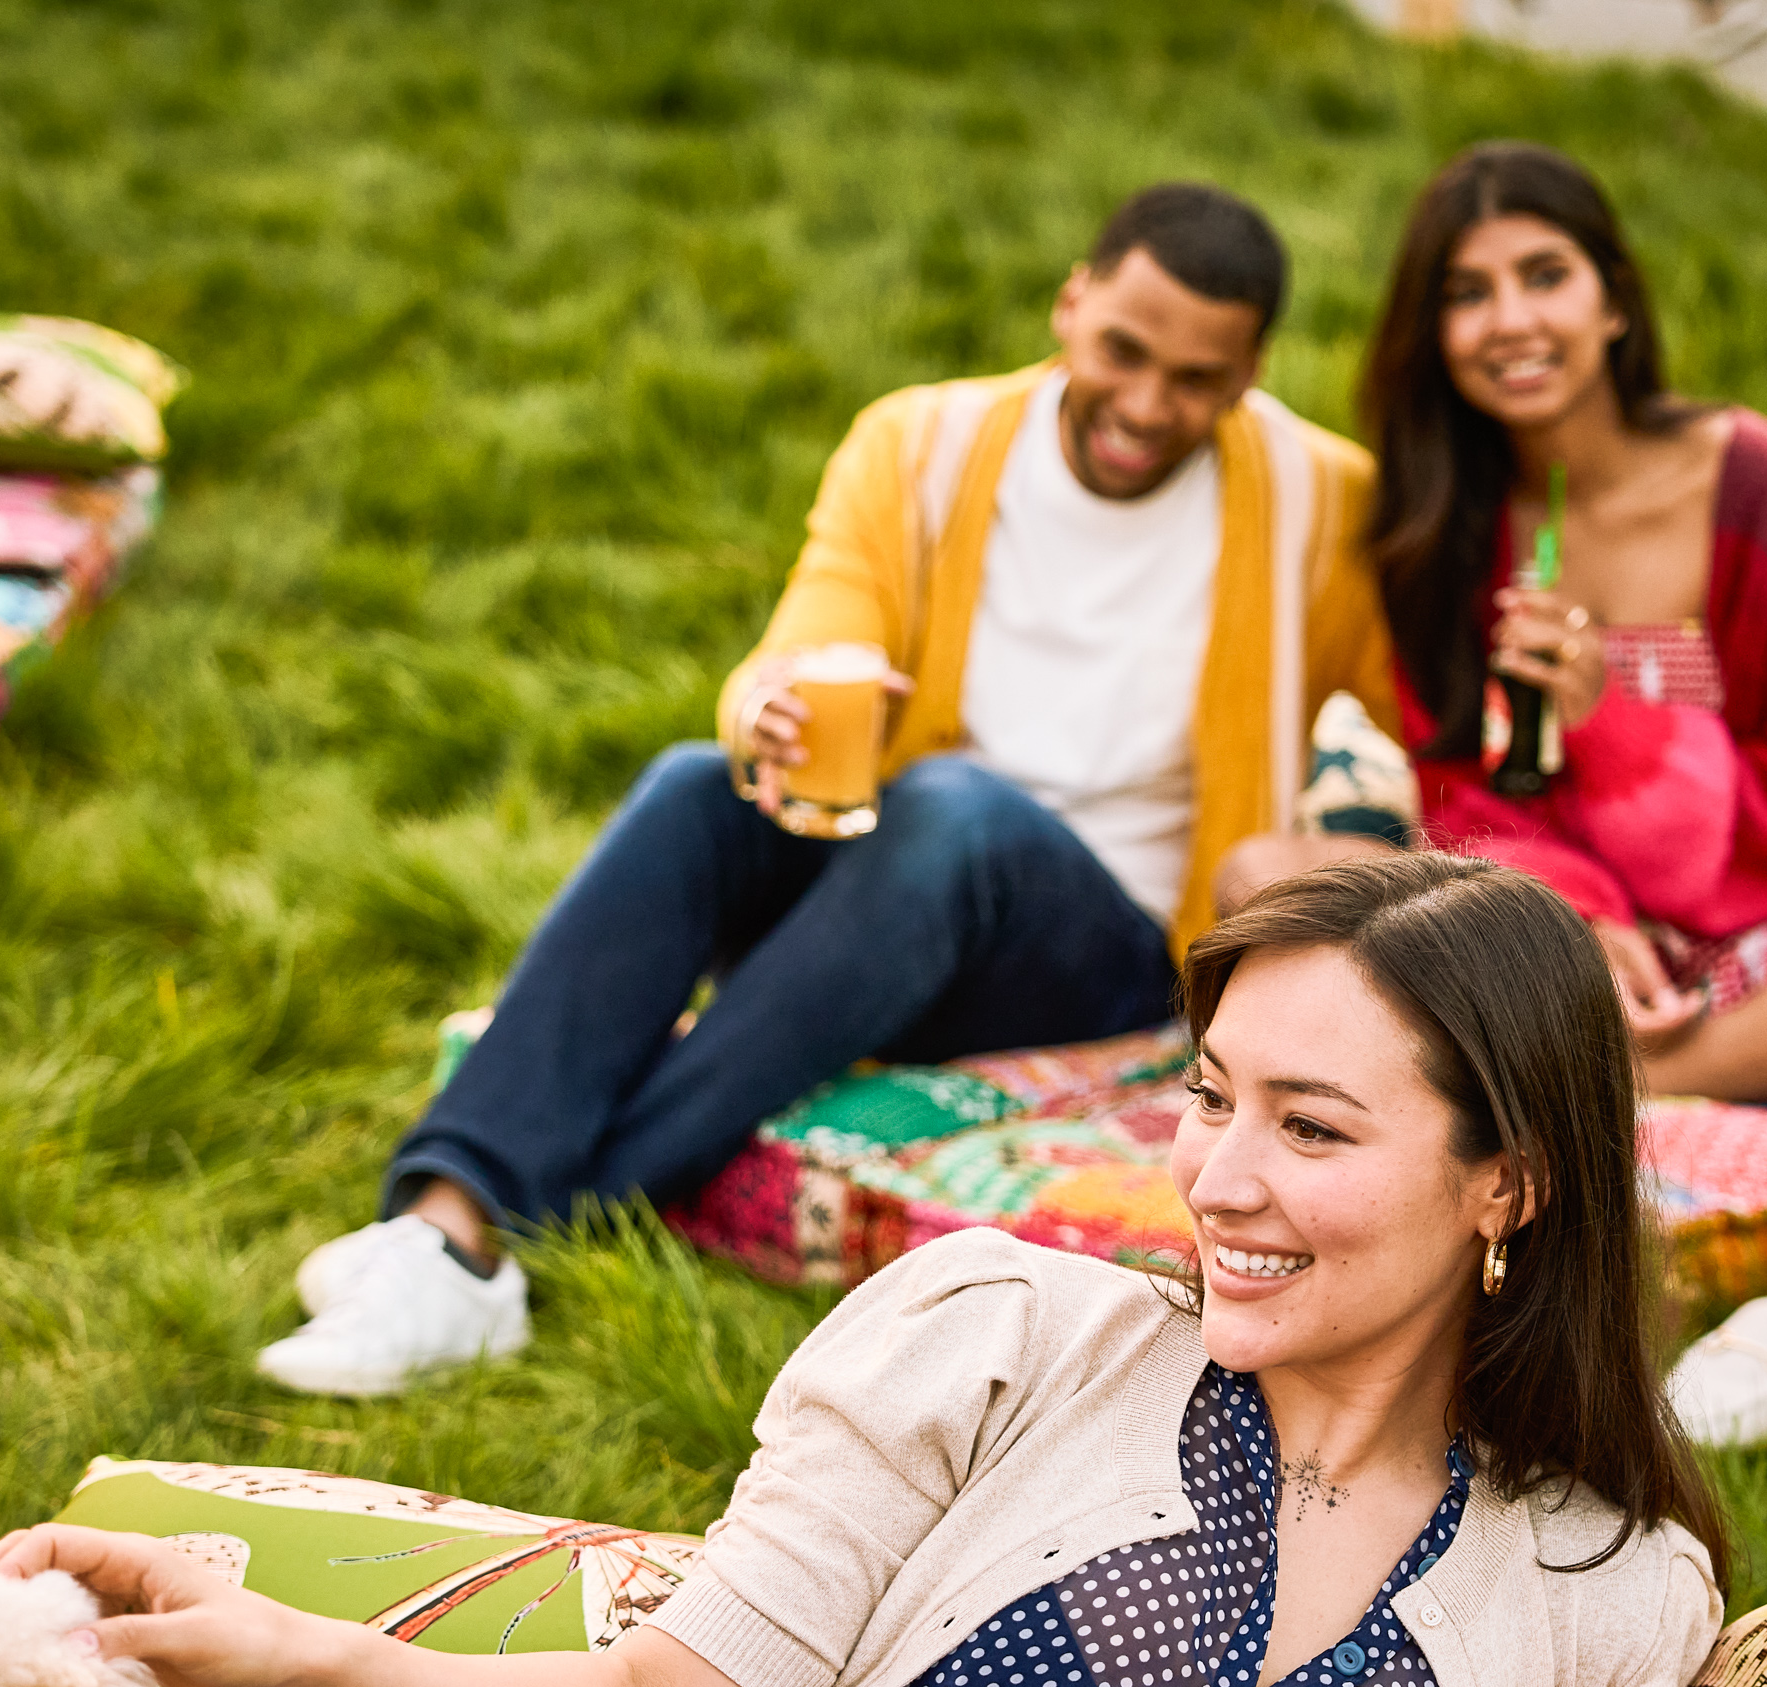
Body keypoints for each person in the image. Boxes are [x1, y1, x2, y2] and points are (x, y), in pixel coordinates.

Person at [0, 854, 1729, 1687]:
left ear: (1507, 1183)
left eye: (1311, 1129)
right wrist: (288, 1656)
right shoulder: (1000, 1336)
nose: (1216, 1180)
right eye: (1209, 1096)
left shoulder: (1612, 1596)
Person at [265, 182, 1393, 1394]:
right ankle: (439, 1225)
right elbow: (811, 641)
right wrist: (769, 707)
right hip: (890, 900)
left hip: (1102, 952)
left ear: (1250, 371)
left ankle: (520, 1226)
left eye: (1196, 379)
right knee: (695, 785)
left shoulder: (1320, 498)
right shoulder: (921, 443)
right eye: (1124, 352)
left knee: (958, 808)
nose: (1147, 405)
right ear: (1070, 304)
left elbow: (1430, 714)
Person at [1220, 143, 1767, 1103]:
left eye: (1545, 276)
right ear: (1433, 334)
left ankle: (1629, 1081)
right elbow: (1464, 799)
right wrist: (1575, 920)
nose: (1510, 320)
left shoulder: (1760, 487)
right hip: (1550, 942)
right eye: (1467, 293)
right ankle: (1584, 1058)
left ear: (1612, 300)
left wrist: (1613, 719)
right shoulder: (1438, 523)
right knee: (1263, 876)